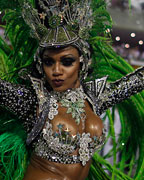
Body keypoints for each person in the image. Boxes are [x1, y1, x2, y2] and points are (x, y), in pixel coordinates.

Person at [0, 0, 144, 179]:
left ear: (82, 62)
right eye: (48, 62)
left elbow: (137, 81)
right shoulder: (34, 100)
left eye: (67, 62)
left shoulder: (95, 98)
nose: (57, 71)